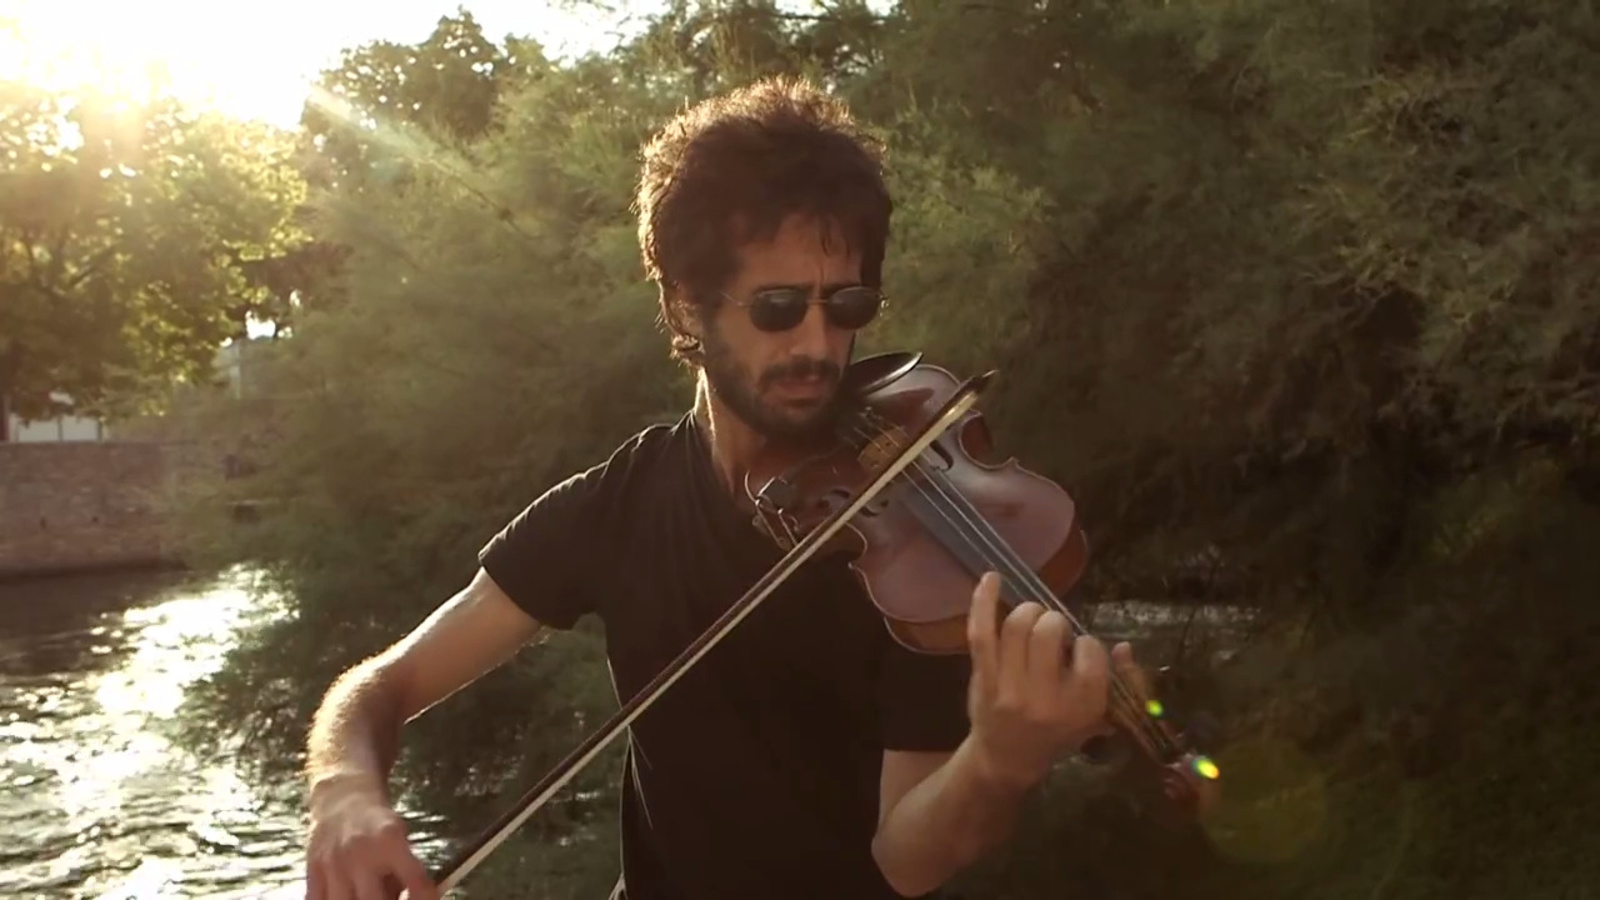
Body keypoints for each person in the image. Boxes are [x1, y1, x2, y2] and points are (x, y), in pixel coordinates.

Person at [301, 75, 1144, 900]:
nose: (818, 343)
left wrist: (996, 763)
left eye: (847, 304)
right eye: (777, 307)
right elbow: (382, 685)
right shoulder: (618, 504)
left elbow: (907, 860)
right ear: (684, 309)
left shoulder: (916, 544)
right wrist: (343, 788)